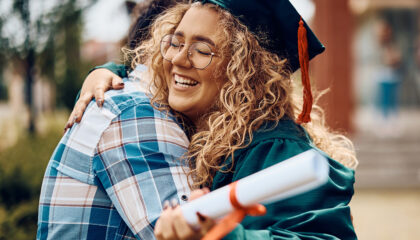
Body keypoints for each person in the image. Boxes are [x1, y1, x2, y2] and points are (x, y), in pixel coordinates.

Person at [67, 0, 359, 239]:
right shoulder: (204, 130)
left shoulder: (276, 148)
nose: (179, 60)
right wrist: (108, 71)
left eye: (203, 50)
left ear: (246, 73)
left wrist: (223, 236)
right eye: (175, 43)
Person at [37, 1, 193, 240]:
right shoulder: (139, 115)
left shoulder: (130, 103)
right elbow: (186, 233)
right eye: (177, 44)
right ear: (156, 45)